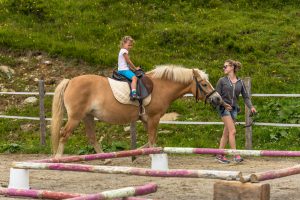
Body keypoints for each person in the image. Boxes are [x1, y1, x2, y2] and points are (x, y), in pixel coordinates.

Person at [215, 59, 256, 164]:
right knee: (232, 131)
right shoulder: (222, 81)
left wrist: (251, 107)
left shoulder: (240, 82)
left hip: (234, 109)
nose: (224, 68)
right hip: (224, 108)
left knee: (226, 133)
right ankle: (235, 155)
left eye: (226, 66)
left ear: (232, 67)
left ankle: (219, 155)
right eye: (223, 66)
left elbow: (246, 97)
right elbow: (216, 97)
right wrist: (223, 104)